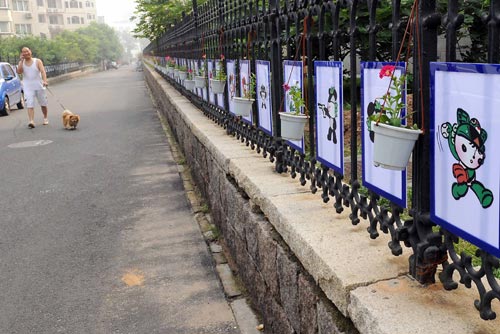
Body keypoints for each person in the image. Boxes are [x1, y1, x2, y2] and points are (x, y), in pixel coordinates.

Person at [17, 47, 49, 128]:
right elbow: (19, 71)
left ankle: (45, 118)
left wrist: (45, 81)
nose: (26, 53)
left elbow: (42, 71)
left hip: (39, 85)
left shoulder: (37, 61)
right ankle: (31, 121)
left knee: (43, 103)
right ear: (22, 54)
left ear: (30, 52)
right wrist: (21, 61)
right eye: (24, 52)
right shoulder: (22, 62)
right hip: (28, 87)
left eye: (27, 51)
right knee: (29, 103)